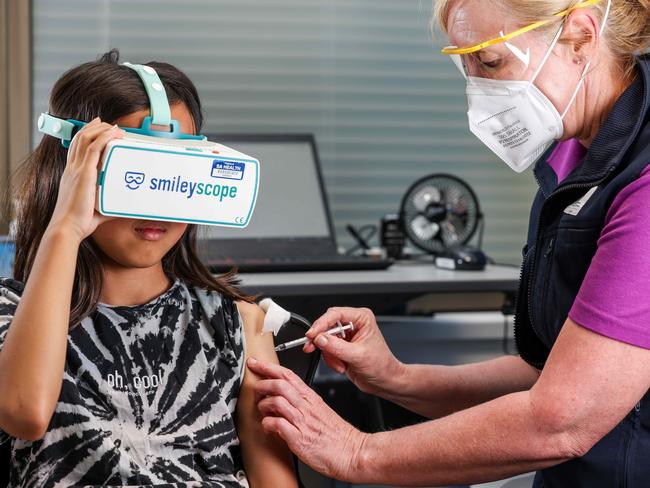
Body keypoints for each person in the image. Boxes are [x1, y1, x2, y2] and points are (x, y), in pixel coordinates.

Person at [246, 0, 650, 486]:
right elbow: (549, 374)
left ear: (581, 36)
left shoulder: (641, 184)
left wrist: (357, 451)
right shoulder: (573, 164)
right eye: (466, 67)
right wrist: (394, 378)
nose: (478, 91)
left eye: (491, 62)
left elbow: (562, 418)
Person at [0, 50, 297, 488]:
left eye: (177, 171)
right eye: (135, 171)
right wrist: (65, 226)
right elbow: (25, 413)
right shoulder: (11, 311)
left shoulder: (240, 325)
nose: (158, 199)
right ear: (72, 173)